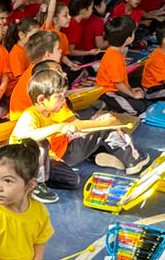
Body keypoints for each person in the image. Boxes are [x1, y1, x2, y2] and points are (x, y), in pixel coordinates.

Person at [11, 66, 146, 190]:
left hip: (56, 157)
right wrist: (59, 127)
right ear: (41, 100)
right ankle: (132, 161)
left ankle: (103, 155)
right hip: (52, 157)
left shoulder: (52, 110)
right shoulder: (29, 115)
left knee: (72, 180)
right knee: (106, 127)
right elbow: (27, 135)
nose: (63, 100)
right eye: (59, 97)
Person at [96, 19, 148, 115]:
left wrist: (131, 90)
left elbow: (122, 80)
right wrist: (133, 95)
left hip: (117, 89)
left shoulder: (116, 53)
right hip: (108, 92)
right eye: (133, 33)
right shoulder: (114, 57)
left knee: (142, 97)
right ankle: (104, 104)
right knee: (140, 108)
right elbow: (118, 84)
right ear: (128, 38)